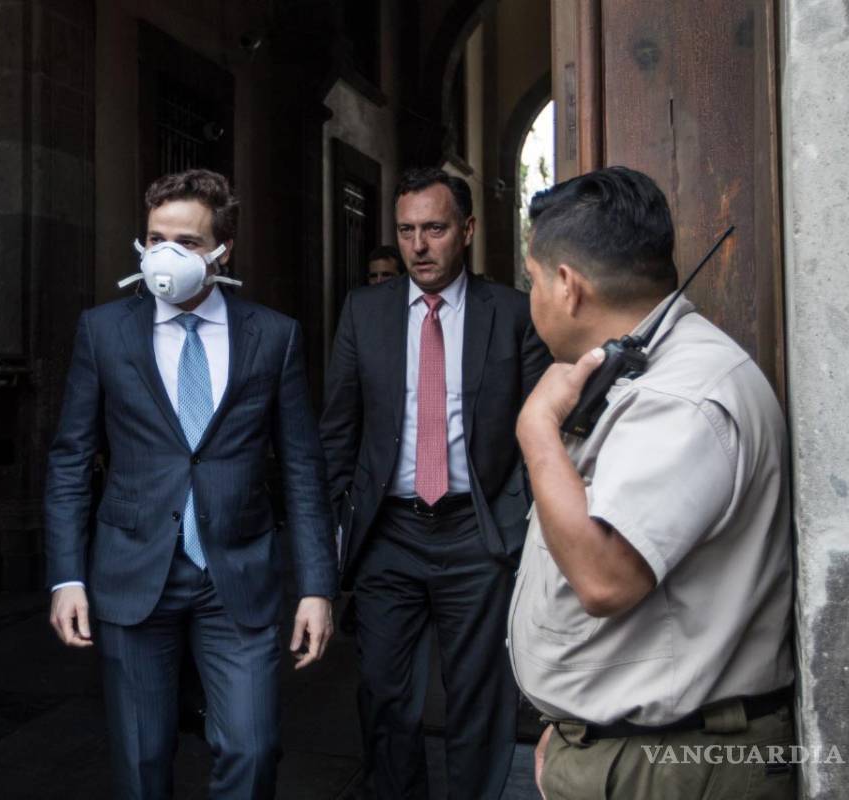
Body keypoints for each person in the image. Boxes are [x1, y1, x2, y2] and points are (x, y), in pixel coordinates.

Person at [45, 168, 338, 800]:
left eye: (188, 242)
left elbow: (302, 468)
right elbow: (70, 459)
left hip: (236, 573)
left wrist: (317, 586)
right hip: (132, 570)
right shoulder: (104, 331)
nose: (167, 255)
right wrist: (66, 576)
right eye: (156, 238)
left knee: (253, 750)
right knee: (142, 760)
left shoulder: (274, 335)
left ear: (222, 251)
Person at [510, 166, 794, 799]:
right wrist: (578, 726)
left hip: (671, 766)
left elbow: (604, 579)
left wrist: (536, 430)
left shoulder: (682, 396)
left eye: (532, 280)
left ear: (567, 286)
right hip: (632, 749)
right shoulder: (649, 370)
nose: (531, 298)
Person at [320, 166, 551, 798]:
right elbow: (337, 433)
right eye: (406, 231)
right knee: (385, 698)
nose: (418, 246)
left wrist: (520, 523)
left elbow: (541, 431)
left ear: (467, 230)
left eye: (435, 229)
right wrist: (331, 538)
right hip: (388, 534)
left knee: (479, 700)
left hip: (476, 534)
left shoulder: (513, 313)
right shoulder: (365, 312)